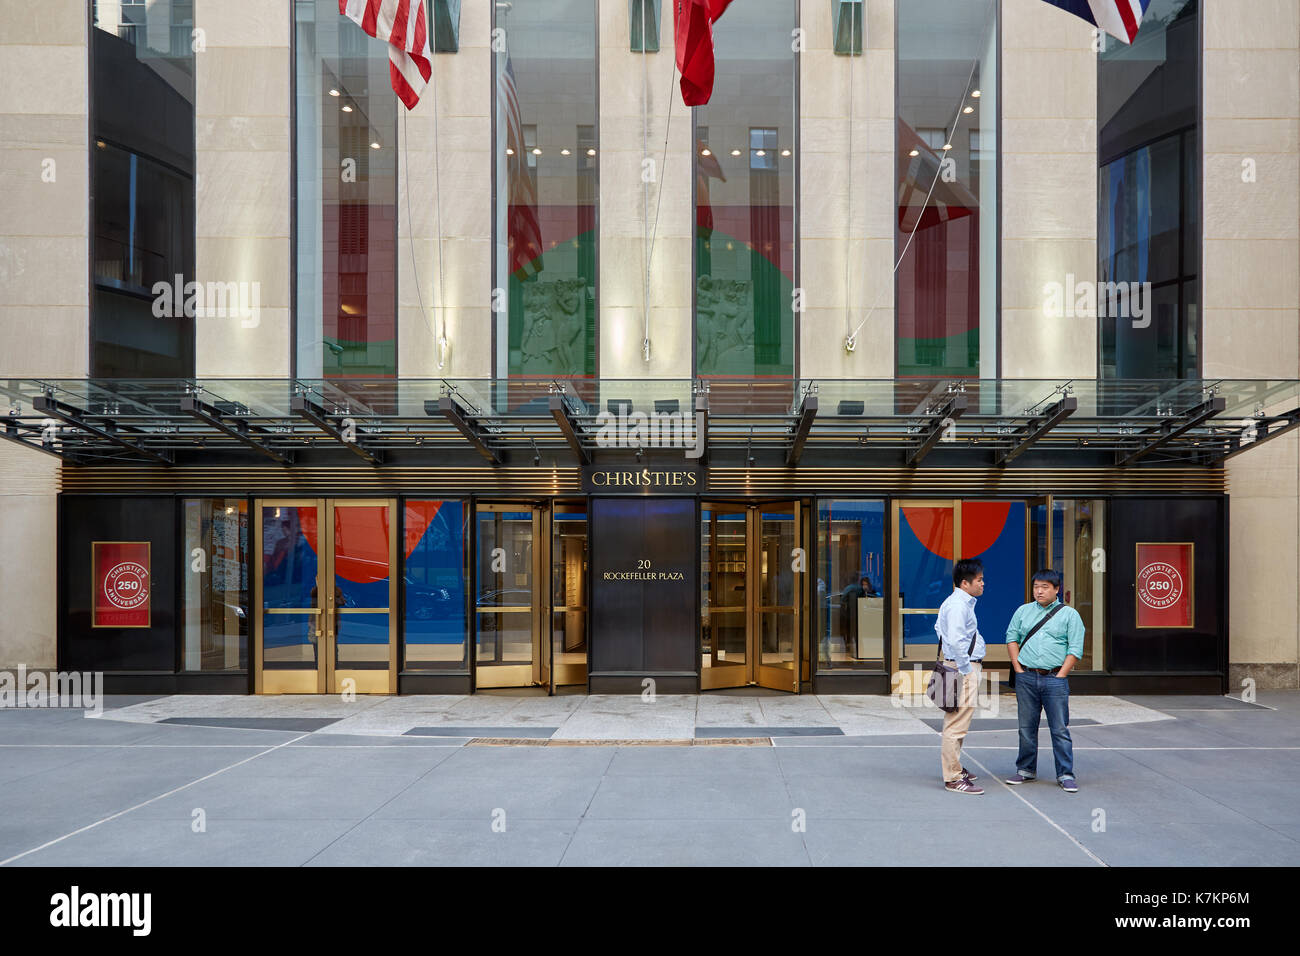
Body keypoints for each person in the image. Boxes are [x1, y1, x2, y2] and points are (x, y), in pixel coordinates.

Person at [1004, 568, 1086, 792]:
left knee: (1059, 728)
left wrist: (1061, 675)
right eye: (1035, 587)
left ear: (1056, 589)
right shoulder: (1023, 611)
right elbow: (1011, 637)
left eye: (1044, 587)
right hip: (1027, 677)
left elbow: (1075, 649)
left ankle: (1065, 774)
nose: (1038, 592)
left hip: (1054, 678)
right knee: (1026, 727)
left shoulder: (1070, 615)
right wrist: (1018, 668)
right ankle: (1025, 770)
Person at [935, 558, 986, 794]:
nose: (983, 584)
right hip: (962, 668)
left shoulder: (954, 602)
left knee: (958, 721)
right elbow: (955, 639)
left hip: (957, 666)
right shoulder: (958, 605)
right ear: (965, 583)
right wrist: (966, 668)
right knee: (956, 724)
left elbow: (939, 628)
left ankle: (955, 768)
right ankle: (953, 777)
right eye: (979, 580)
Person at [838, 574, 876, 657]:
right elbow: (863, 601)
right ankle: (860, 651)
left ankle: (848, 650)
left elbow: (843, 600)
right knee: (858, 634)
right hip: (857, 614)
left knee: (848, 633)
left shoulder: (848, 588)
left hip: (847, 614)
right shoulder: (859, 589)